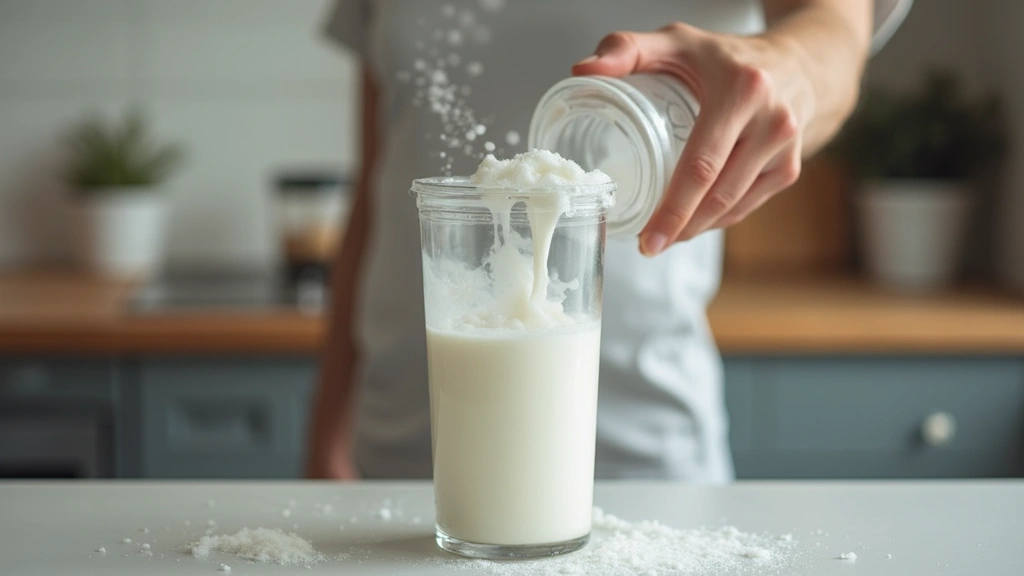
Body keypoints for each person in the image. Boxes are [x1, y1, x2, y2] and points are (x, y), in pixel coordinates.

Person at [307, 0, 911, 482]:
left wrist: (785, 71)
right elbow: (379, 186)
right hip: (403, 453)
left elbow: (836, 31)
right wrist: (326, 427)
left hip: (638, 455)